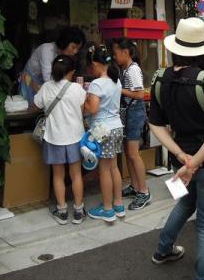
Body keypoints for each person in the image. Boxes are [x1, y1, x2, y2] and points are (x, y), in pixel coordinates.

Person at [149, 18, 204, 280]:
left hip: (179, 162)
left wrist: (180, 157)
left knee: (185, 203)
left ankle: (163, 249)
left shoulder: (160, 79)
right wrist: (193, 163)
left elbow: (156, 124)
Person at [33, 55, 87, 225]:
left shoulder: (46, 87)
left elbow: (36, 104)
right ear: (72, 72)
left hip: (54, 137)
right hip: (75, 137)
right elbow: (83, 110)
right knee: (76, 175)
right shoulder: (77, 89)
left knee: (58, 175)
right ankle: (78, 211)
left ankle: (62, 211)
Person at [84, 45, 125, 223]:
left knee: (104, 169)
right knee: (114, 166)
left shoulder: (96, 84)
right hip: (117, 127)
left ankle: (107, 209)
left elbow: (92, 109)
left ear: (94, 64)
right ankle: (118, 204)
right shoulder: (116, 81)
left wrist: (83, 102)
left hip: (103, 130)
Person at [113, 38, 151, 211]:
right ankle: (135, 186)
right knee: (129, 153)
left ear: (125, 52)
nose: (115, 56)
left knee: (134, 154)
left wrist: (118, 90)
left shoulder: (133, 69)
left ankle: (144, 191)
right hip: (129, 114)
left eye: (116, 53)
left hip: (134, 114)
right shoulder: (126, 69)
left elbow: (140, 94)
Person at [19, 26, 86, 103]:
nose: (75, 52)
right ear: (65, 42)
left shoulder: (66, 56)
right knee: (32, 109)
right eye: (73, 47)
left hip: (45, 84)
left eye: (78, 49)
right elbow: (47, 78)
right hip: (30, 83)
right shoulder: (47, 50)